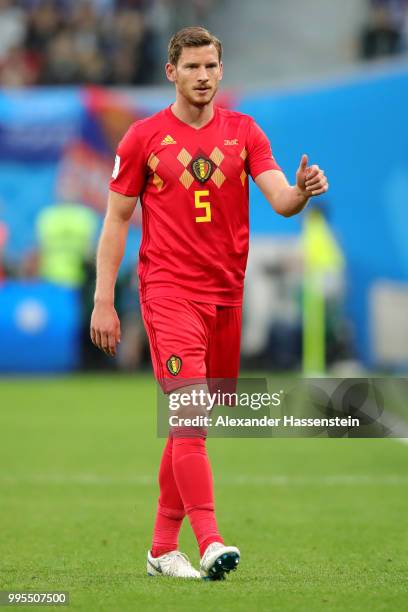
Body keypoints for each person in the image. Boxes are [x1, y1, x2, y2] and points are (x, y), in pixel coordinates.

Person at [90, 26, 328, 580]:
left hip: (226, 295)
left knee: (189, 424)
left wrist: (302, 190)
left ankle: (159, 550)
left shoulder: (244, 133)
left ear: (221, 71)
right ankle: (211, 540)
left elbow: (279, 198)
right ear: (171, 72)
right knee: (190, 416)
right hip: (168, 291)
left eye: (211, 67)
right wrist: (105, 300)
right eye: (192, 67)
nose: (202, 76)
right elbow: (116, 221)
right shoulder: (143, 138)